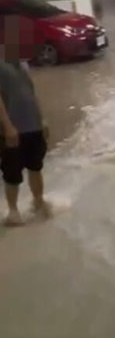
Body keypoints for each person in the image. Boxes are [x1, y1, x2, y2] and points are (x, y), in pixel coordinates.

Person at [0, 26, 49, 225]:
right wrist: (7, 126)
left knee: (36, 166)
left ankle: (38, 201)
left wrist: (42, 119)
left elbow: (31, 91)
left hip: (33, 124)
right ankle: (13, 211)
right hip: (11, 127)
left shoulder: (22, 63)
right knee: (12, 172)